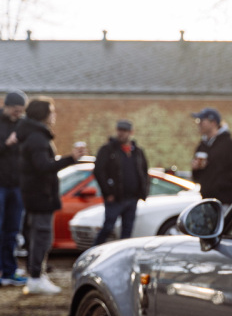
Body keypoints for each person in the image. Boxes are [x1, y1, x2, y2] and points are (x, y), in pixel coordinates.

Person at [17, 97, 84, 295]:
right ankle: (36, 278)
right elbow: (43, 167)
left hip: (36, 194)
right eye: (52, 111)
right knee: (42, 236)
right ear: (43, 114)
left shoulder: (34, 135)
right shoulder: (37, 138)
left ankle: (37, 275)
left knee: (37, 236)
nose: (54, 115)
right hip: (40, 196)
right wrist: (71, 158)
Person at [92, 119, 150, 246]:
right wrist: (108, 192)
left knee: (127, 232)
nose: (121, 134)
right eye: (119, 130)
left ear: (131, 132)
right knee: (108, 228)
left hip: (132, 198)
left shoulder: (138, 152)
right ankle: (92, 253)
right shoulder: (108, 149)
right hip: (115, 199)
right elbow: (98, 171)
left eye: (124, 131)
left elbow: (144, 172)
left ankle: (122, 257)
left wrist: (143, 192)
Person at [190, 107, 232, 208]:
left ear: (213, 122)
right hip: (206, 200)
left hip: (224, 201)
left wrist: (220, 185)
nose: (199, 124)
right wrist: (195, 169)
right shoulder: (202, 145)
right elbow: (197, 177)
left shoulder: (228, 144)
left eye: (201, 121)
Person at [0, 91, 27, 287]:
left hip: (16, 186)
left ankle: (9, 272)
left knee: (12, 231)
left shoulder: (23, 124)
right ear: (6, 106)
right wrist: (6, 144)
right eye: (16, 111)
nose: (18, 114)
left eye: (21, 111)